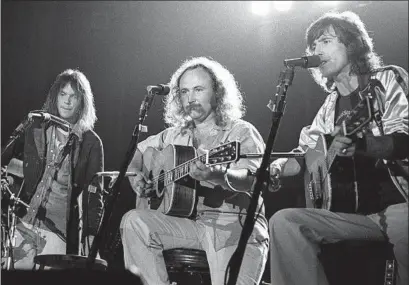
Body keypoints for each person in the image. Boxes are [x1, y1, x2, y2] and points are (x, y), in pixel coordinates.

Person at [268, 11, 408, 285]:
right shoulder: (329, 107)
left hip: (401, 204)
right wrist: (276, 167)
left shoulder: (385, 81)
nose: (317, 51)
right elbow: (304, 156)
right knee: (284, 222)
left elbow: (405, 137)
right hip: (353, 215)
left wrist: (364, 144)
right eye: (313, 46)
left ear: (352, 44)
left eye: (326, 41)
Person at [120, 56, 269, 285]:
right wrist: (135, 174)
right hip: (191, 224)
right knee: (134, 221)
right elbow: (139, 151)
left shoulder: (240, 132)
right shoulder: (175, 134)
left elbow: (251, 180)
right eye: (184, 92)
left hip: (232, 224)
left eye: (198, 89)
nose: (190, 99)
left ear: (217, 92)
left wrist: (217, 174)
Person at [1, 69, 104, 269]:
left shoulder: (91, 142)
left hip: (58, 231)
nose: (67, 101)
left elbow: (95, 197)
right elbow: (5, 157)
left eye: (73, 96)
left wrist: (92, 238)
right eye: (63, 94)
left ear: (82, 101)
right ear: (55, 96)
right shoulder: (37, 127)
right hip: (24, 222)